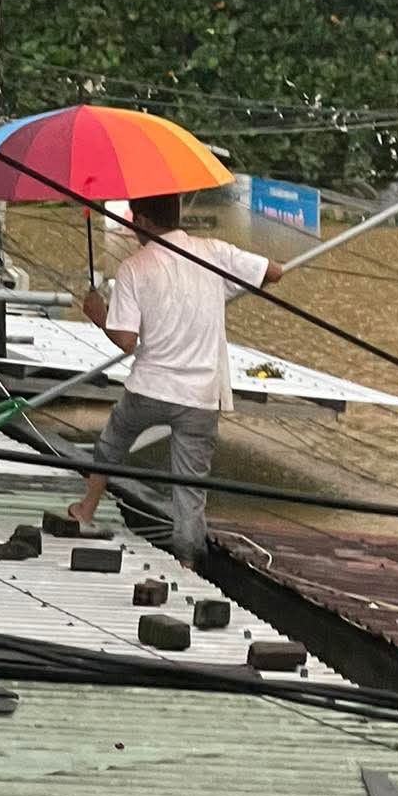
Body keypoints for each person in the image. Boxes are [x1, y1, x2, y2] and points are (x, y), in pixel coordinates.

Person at [69, 193, 283, 561]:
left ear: (147, 222)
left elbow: (124, 340)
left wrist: (98, 314)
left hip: (149, 389)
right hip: (200, 396)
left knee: (110, 445)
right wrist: (224, 286)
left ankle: (86, 510)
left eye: (134, 220)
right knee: (189, 487)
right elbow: (274, 272)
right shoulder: (213, 252)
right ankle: (188, 562)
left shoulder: (135, 267)